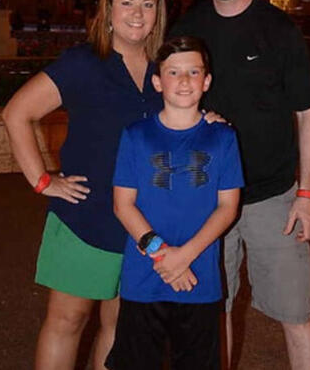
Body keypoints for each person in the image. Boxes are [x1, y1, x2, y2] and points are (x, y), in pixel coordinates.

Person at [2, 0, 167, 370]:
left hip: (143, 218)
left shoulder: (164, 68)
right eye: (127, 3)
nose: (137, 13)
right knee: (68, 319)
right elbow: (17, 112)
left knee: (120, 323)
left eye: (147, 5)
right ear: (108, 9)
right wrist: (43, 181)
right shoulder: (84, 62)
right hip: (87, 213)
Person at [171, 0, 310, 370]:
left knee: (296, 312)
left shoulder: (278, 29)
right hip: (206, 196)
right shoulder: (188, 29)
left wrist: (307, 194)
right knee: (213, 311)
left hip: (272, 197)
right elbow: (167, 100)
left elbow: (308, 114)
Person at [106, 36, 243, 370]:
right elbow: (123, 205)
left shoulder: (223, 138)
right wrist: (162, 255)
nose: (184, 80)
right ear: (157, 82)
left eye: (194, 72)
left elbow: (228, 207)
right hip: (144, 278)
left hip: (199, 278)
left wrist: (185, 256)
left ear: (206, 81)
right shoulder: (136, 135)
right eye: (173, 72)